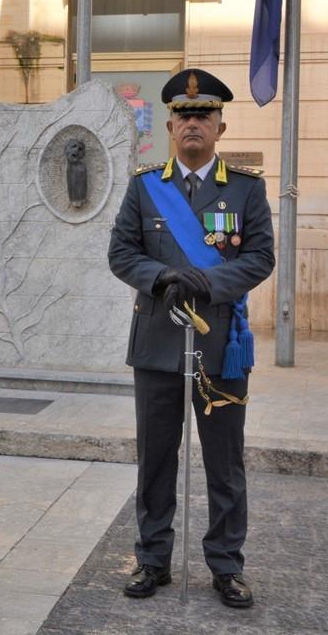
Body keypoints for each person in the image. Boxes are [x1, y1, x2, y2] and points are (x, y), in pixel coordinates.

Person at [108, 69, 275, 608]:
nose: (193, 123)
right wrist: (160, 279)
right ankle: (152, 559)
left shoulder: (246, 189)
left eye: (204, 115)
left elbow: (260, 257)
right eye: (184, 115)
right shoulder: (144, 185)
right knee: (156, 459)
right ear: (170, 125)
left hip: (222, 345)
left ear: (220, 127)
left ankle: (226, 566)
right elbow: (122, 252)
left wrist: (209, 280)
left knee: (225, 463)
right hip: (158, 342)